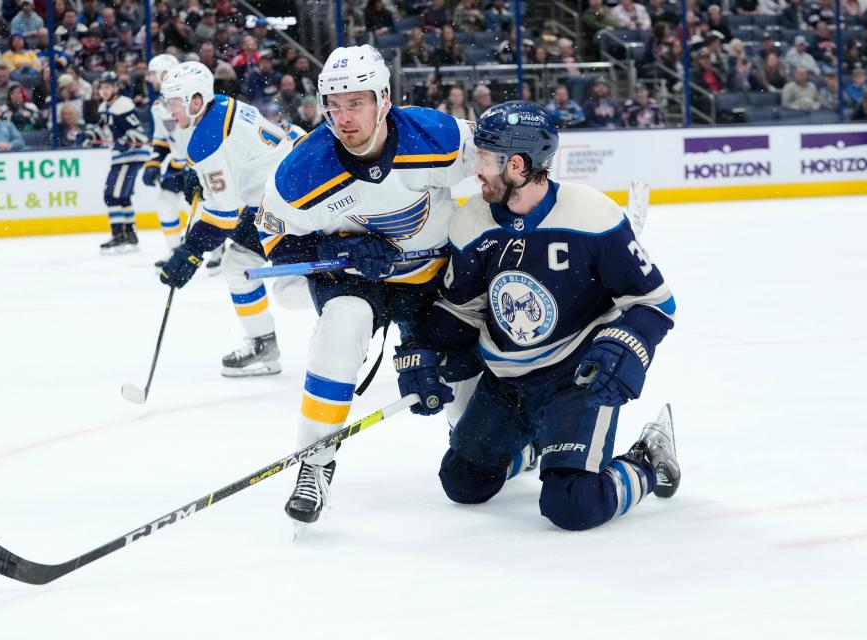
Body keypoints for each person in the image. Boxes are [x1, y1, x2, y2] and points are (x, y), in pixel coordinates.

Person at [401, 100, 679, 531]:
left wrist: (625, 346)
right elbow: (461, 307)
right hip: (507, 383)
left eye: (485, 157)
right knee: (464, 482)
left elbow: (655, 303)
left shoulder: (592, 215)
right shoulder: (471, 221)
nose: (475, 168)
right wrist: (424, 350)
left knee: (574, 504)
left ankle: (647, 459)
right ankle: (538, 447)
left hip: (575, 380)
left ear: (517, 164)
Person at [258, 45, 475, 525]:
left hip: (432, 276)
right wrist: (338, 252)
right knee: (343, 323)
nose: (342, 116)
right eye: (332, 104)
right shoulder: (302, 170)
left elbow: (498, 174)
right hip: (354, 277)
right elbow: (273, 241)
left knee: (475, 453)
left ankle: (499, 445)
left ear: (384, 99)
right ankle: (314, 461)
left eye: (355, 102)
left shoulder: (436, 134)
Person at [158, 61, 304, 377]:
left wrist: (190, 252)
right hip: (287, 181)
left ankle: (350, 302)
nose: (171, 112)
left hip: (287, 201)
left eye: (174, 103)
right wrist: (199, 176)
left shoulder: (207, 141)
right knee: (238, 265)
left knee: (284, 287)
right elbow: (238, 159)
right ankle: (264, 344)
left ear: (196, 100)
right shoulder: (223, 104)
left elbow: (224, 215)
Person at [142, 54, 192, 267]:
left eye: (153, 73)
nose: (149, 78)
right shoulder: (157, 106)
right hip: (177, 164)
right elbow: (161, 140)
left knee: (201, 212)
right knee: (165, 203)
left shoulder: (189, 100)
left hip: (198, 165)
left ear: (165, 73)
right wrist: (154, 162)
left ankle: (217, 254)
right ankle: (174, 251)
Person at [92, 71, 150, 254]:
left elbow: (139, 134)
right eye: (102, 87)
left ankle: (119, 235)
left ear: (116, 88)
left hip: (132, 157)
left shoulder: (123, 105)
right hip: (121, 158)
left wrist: (124, 142)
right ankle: (130, 234)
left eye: (108, 87)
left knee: (111, 195)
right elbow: (104, 130)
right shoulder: (103, 108)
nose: (105, 91)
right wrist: (89, 135)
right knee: (121, 196)